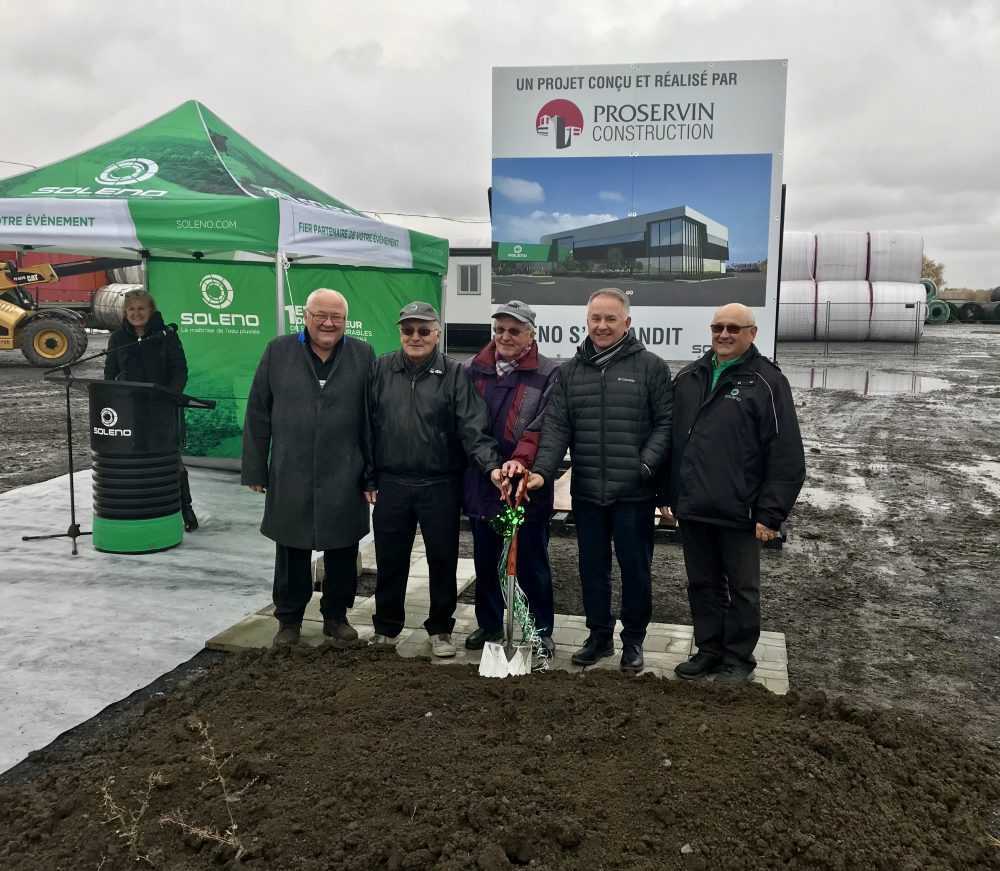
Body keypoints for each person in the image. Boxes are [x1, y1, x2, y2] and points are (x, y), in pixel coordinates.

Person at [528, 288, 673, 673]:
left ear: (627, 322)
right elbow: (557, 428)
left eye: (611, 319)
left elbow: (666, 425)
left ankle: (634, 640)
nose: (602, 325)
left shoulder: (651, 367)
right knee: (592, 568)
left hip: (634, 494)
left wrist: (644, 467)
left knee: (636, 569)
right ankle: (599, 636)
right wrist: (543, 472)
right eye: (596, 318)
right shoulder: (571, 372)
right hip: (589, 491)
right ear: (587, 321)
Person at [663, 303, 805, 684]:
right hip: (693, 506)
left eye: (733, 328)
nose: (724, 334)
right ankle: (709, 650)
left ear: (751, 334)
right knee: (702, 584)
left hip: (740, 510)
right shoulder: (690, 377)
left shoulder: (767, 383)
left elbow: (786, 453)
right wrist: (667, 493)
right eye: (717, 327)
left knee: (743, 589)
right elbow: (673, 441)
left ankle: (738, 659)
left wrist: (770, 513)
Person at [364, 301, 507, 658]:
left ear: (437, 334)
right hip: (392, 483)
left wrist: (492, 467)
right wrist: (368, 476)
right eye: (408, 330)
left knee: (442, 561)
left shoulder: (455, 374)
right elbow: (366, 427)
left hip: (440, 485)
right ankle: (385, 629)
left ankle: (441, 630)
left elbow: (473, 427)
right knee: (390, 560)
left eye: (424, 330)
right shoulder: (380, 369)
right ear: (400, 333)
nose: (416, 337)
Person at [242, 288, 375, 648]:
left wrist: (370, 474)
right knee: (291, 547)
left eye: (337, 317)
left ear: (346, 322)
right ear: (306, 317)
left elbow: (371, 419)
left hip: (345, 470)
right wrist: (255, 467)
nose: (328, 323)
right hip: (291, 467)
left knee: (344, 547)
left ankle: (336, 616)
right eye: (321, 315)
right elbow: (258, 410)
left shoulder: (363, 355)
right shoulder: (278, 351)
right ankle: (289, 620)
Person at [462, 300, 560, 657]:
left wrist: (518, 464)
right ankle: (490, 623)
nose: (505, 336)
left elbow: (544, 427)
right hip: (482, 480)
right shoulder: (473, 369)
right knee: (486, 561)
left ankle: (540, 630)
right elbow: (468, 425)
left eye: (514, 330)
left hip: (525, 484)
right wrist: (491, 467)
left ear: (531, 335)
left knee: (532, 562)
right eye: (499, 329)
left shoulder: (549, 374)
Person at [104, 288, 197, 532]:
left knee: (170, 458)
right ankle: (140, 509)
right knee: (134, 461)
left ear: (151, 310)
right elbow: (109, 373)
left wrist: (170, 395)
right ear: (125, 312)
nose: (136, 313)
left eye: (141, 309)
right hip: (128, 412)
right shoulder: (117, 339)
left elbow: (180, 370)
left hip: (161, 408)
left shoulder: (167, 335)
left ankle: (185, 507)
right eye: (131, 309)